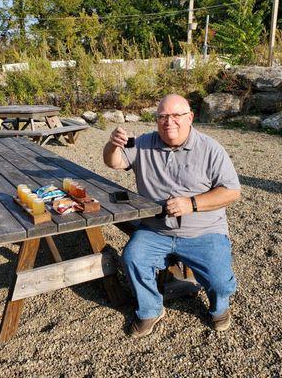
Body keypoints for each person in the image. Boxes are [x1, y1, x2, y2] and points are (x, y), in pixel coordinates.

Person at [103, 94, 241, 337]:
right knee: (133, 257)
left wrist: (192, 204)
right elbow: (113, 162)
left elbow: (232, 192)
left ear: (190, 117)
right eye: (162, 116)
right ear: (157, 120)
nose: (169, 122)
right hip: (156, 229)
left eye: (176, 115)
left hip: (204, 231)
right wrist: (113, 144)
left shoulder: (210, 149)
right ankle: (150, 309)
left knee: (220, 281)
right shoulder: (144, 143)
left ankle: (220, 308)